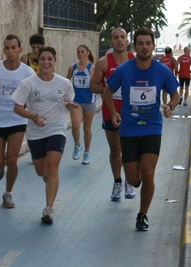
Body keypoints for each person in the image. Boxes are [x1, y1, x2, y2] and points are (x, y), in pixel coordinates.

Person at [104, 27, 180, 231]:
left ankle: (142, 215)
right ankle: (133, 183)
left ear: (154, 46)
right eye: (140, 43)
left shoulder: (162, 70)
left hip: (152, 129)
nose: (145, 47)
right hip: (128, 130)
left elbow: (175, 94)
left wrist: (169, 106)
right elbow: (107, 91)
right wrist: (113, 113)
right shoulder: (124, 70)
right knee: (133, 178)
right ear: (134, 46)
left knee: (148, 173)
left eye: (148, 43)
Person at [11, 46, 79, 224]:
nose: (46, 62)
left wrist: (69, 106)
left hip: (56, 129)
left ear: (55, 61)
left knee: (52, 168)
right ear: (38, 61)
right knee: (41, 170)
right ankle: (48, 179)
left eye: (50, 59)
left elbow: (69, 101)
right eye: (43, 59)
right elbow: (17, 107)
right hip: (35, 133)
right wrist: (33, 116)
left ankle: (48, 209)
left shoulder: (64, 83)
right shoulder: (28, 83)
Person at [0, 34, 35, 209]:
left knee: (11, 159)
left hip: (17, 121)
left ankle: (8, 194)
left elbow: (34, 95)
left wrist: (32, 116)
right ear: (3, 50)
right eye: (7, 48)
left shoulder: (27, 72)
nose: (10, 51)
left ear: (20, 49)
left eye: (14, 48)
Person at [90, 27, 136, 201]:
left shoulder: (135, 60)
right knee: (116, 150)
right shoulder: (103, 62)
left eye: (122, 37)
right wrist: (109, 90)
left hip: (131, 111)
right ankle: (117, 182)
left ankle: (129, 182)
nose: (119, 40)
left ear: (127, 40)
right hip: (110, 111)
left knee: (129, 149)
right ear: (111, 42)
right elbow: (93, 86)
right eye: (116, 37)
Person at [66, 45, 96, 164]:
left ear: (88, 53)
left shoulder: (92, 68)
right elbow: (66, 82)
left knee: (87, 128)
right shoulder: (72, 68)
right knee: (75, 125)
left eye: (82, 52)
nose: (80, 54)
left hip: (89, 101)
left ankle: (87, 152)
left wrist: (92, 78)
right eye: (78, 52)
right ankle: (77, 145)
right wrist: (67, 98)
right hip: (76, 100)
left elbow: (95, 84)